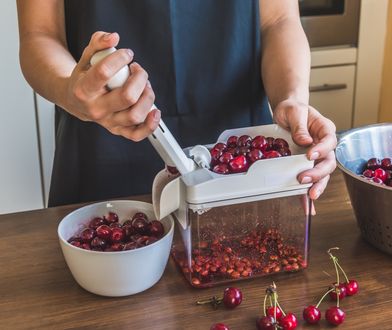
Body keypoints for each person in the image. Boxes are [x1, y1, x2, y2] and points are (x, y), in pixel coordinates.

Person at [16, 0, 336, 207]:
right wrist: (70, 90)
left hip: (241, 160)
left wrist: (292, 98)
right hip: (102, 147)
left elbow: (278, 20)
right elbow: (39, 34)